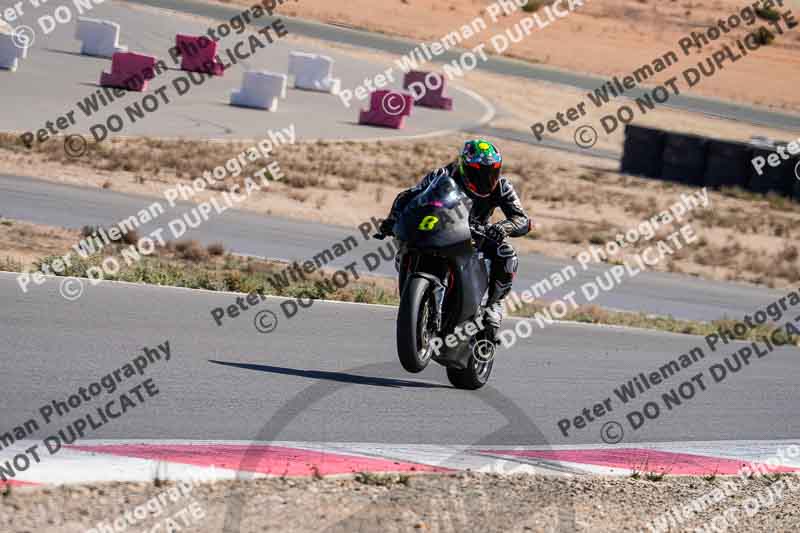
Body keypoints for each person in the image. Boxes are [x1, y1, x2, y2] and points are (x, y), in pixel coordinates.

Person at [379, 139, 532, 343]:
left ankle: (493, 305)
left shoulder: (502, 187)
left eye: (492, 172)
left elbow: (522, 219)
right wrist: (391, 220)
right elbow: (408, 196)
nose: (486, 178)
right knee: (408, 243)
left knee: (507, 255)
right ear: (464, 167)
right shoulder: (442, 176)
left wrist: (502, 228)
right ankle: (417, 300)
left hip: (478, 234)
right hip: (441, 228)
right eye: (478, 172)